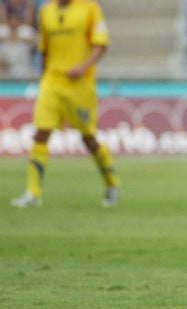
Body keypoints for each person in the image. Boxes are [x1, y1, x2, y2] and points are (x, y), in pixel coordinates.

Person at [10, 0, 119, 208]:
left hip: (80, 84)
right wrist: (43, 80)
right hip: (52, 81)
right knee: (41, 133)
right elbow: (44, 49)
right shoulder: (46, 12)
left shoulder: (89, 9)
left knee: (88, 138)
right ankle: (33, 193)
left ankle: (111, 183)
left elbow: (101, 44)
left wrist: (83, 67)